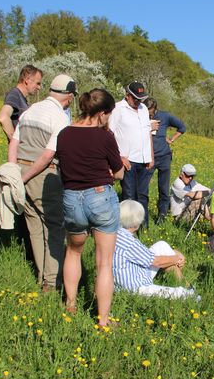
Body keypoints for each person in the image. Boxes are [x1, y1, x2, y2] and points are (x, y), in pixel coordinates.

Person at [56, 89, 124, 326]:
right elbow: (119, 173)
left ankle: (71, 305)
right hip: (100, 197)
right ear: (102, 113)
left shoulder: (64, 134)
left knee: (73, 252)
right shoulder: (105, 137)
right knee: (104, 262)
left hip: (71, 198)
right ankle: (103, 321)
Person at [8, 74, 77, 291]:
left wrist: (14, 172)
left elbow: (14, 142)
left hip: (19, 169)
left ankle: (40, 276)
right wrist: (26, 176)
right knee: (54, 227)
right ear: (69, 97)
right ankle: (51, 281)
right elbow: (48, 155)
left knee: (34, 226)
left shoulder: (30, 111)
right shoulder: (60, 118)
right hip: (42, 174)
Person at [113, 199, 199, 300]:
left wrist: (175, 255)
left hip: (125, 278)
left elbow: (145, 256)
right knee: (181, 294)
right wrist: (177, 258)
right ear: (136, 222)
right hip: (136, 287)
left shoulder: (115, 233)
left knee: (161, 246)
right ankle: (190, 292)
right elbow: (156, 261)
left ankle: (185, 283)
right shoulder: (129, 242)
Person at [108, 81, 153, 226]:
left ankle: (143, 228)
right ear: (127, 95)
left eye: (141, 99)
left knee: (143, 196)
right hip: (128, 161)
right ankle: (127, 229)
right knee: (129, 196)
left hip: (144, 160)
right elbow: (109, 134)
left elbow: (148, 132)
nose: (138, 101)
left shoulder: (144, 109)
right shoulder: (118, 108)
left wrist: (151, 156)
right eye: (135, 98)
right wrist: (119, 157)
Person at [144, 98, 186, 224]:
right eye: (146, 112)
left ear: (155, 109)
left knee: (163, 187)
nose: (148, 114)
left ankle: (162, 215)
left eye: (150, 112)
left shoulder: (165, 116)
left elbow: (182, 127)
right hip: (148, 157)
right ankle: (142, 213)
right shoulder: (141, 116)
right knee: (143, 187)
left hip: (164, 157)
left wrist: (172, 139)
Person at [0, 65, 43, 141]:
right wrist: (16, 143)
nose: (39, 87)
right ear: (27, 80)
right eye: (37, 83)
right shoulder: (14, 95)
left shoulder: (22, 98)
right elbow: (3, 117)